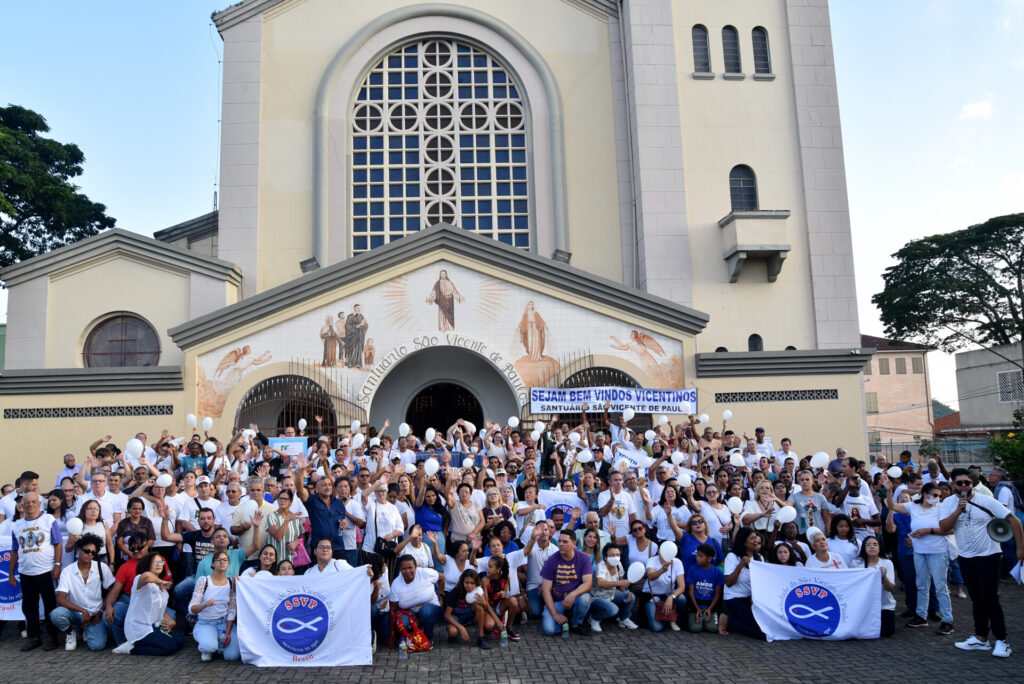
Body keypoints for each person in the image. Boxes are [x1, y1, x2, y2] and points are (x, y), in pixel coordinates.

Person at [941, 468, 1024, 657]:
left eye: (967, 482)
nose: (964, 486)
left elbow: (1014, 521)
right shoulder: (948, 503)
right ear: (953, 485)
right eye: (959, 483)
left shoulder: (986, 500)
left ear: (972, 483)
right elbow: (944, 527)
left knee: (990, 598)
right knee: (977, 598)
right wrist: (957, 511)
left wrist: (1020, 549)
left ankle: (1002, 640)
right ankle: (981, 638)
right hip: (966, 557)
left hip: (989, 556)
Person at [881, 475, 953, 634]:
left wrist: (929, 531)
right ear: (925, 494)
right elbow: (892, 506)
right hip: (919, 552)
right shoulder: (913, 506)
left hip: (937, 552)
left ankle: (948, 619)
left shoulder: (942, 508)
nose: (937, 498)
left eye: (939, 496)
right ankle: (921, 616)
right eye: (934, 495)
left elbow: (951, 529)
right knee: (921, 584)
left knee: (940, 586)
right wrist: (889, 489)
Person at [9, 491, 62, 651]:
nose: (30, 505)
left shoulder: (48, 520)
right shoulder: (16, 526)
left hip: (45, 570)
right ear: (22, 506)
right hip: (26, 572)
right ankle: (35, 637)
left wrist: (58, 564)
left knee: (49, 605)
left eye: (33, 502)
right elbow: (14, 551)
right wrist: (11, 573)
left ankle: (53, 637)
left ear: (39, 504)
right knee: (29, 606)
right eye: (27, 503)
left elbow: (57, 543)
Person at [51, 533, 115, 651]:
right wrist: (82, 611)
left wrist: (100, 612)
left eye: (93, 552)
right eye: (87, 551)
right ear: (79, 550)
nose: (90, 554)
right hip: (76, 613)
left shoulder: (102, 567)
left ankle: (87, 629)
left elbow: (113, 591)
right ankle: (70, 632)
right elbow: (60, 599)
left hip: (95, 613)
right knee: (56, 614)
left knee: (97, 646)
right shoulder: (67, 571)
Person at [112, 553, 185, 655]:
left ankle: (146, 643)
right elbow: (147, 576)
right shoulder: (140, 579)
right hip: (139, 628)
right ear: (147, 564)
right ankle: (131, 648)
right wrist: (160, 581)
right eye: (154, 562)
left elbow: (161, 609)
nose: (158, 564)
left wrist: (171, 621)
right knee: (168, 648)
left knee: (180, 641)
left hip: (154, 626)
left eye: (160, 562)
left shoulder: (162, 588)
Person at [539, 529, 594, 636]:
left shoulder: (584, 558)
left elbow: (588, 584)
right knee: (549, 630)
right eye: (559, 541)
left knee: (585, 598)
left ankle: (576, 623)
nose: (560, 544)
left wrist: (573, 594)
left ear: (573, 543)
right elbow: (545, 590)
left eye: (565, 542)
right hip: (557, 602)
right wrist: (555, 614)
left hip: (575, 599)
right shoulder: (552, 560)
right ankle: (565, 619)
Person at [189, 550, 240, 661]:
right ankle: (207, 644)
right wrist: (204, 605)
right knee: (209, 647)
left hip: (223, 622)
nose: (222, 562)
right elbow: (192, 609)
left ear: (228, 564)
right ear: (213, 564)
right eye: (219, 560)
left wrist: (227, 632)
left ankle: (218, 643)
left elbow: (231, 610)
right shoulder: (204, 581)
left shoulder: (231, 583)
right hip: (205, 623)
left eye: (225, 560)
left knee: (232, 656)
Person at [721, 527, 765, 639]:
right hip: (734, 599)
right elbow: (729, 582)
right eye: (752, 539)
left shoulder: (759, 558)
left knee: (765, 625)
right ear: (744, 542)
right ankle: (731, 622)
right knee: (761, 633)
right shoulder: (732, 557)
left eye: (756, 538)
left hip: (751, 599)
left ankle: (734, 622)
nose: (755, 541)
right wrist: (740, 565)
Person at [389, 554, 443, 642]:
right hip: (411, 612)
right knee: (402, 623)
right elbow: (392, 611)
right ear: (400, 569)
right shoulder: (396, 584)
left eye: (410, 567)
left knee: (425, 612)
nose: (407, 571)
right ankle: (415, 633)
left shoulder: (425, 573)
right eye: (404, 569)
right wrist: (392, 634)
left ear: (416, 567)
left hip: (431, 608)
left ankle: (428, 637)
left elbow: (442, 578)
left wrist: (441, 596)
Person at [851, 536, 896, 637]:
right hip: (863, 606)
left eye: (875, 545)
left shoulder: (887, 563)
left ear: (880, 548)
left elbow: (890, 588)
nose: (872, 547)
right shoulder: (856, 563)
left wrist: (884, 578)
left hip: (884, 606)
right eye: (868, 545)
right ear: (864, 548)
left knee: (887, 632)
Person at [444, 569, 499, 649]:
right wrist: (461, 628)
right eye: (467, 582)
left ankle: (481, 637)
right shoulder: (456, 591)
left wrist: (484, 603)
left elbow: (486, 606)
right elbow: (447, 615)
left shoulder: (478, 590)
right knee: (453, 632)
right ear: (462, 582)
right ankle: (454, 634)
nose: (469, 586)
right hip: (455, 616)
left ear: (476, 583)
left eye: (472, 583)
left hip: (469, 615)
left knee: (480, 607)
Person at [590, 543, 638, 631]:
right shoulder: (601, 566)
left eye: (618, 555)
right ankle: (594, 618)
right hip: (597, 598)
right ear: (605, 557)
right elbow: (600, 583)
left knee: (630, 596)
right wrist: (619, 583)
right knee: (613, 610)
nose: (616, 557)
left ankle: (623, 619)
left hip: (611, 595)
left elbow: (622, 582)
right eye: (612, 555)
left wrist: (626, 589)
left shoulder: (618, 564)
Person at [644, 545, 686, 633]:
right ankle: (664, 618)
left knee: (681, 598)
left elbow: (682, 587)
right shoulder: (652, 560)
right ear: (658, 551)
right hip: (652, 596)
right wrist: (662, 569)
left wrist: (671, 597)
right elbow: (651, 576)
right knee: (657, 628)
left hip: (667, 595)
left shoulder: (677, 562)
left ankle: (673, 618)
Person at [686, 543, 724, 633]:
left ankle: (707, 617)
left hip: (710, 605)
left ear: (709, 559)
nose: (697, 558)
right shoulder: (693, 569)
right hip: (696, 604)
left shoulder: (717, 572)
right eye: (697, 555)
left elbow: (717, 593)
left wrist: (710, 608)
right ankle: (696, 617)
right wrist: (697, 608)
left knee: (712, 628)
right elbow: (691, 591)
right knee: (695, 629)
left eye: (701, 556)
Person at [265, 489, 306, 569]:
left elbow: (302, 536)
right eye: (280, 498)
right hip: (275, 562)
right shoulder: (271, 517)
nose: (282, 501)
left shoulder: (296, 517)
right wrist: (287, 520)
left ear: (290, 502)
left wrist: (297, 542)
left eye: (285, 499)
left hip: (293, 562)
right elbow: (278, 536)